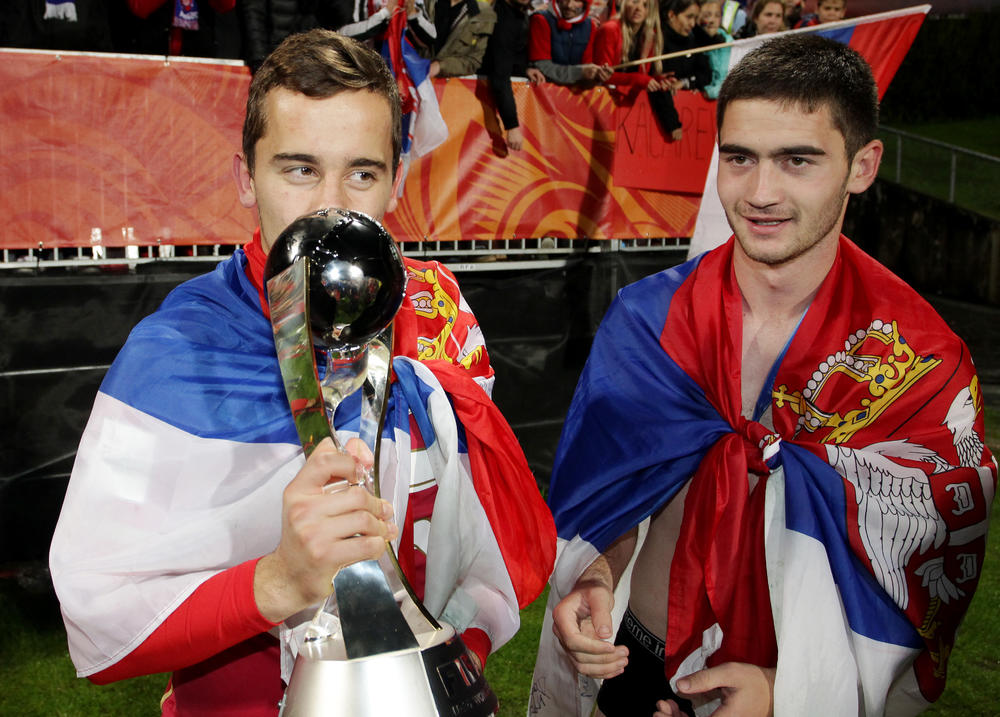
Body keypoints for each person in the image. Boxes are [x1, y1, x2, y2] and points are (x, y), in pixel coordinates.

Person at [49, 29, 556, 716]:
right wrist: (279, 581)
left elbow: (475, 539)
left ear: (396, 180)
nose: (330, 206)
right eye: (299, 170)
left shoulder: (439, 314)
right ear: (245, 178)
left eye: (362, 173)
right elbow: (99, 622)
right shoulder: (178, 350)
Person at [529, 33, 995, 717]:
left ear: (863, 166)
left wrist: (786, 693)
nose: (760, 193)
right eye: (739, 158)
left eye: (797, 160)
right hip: (635, 657)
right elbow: (617, 491)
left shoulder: (919, 361)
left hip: (799, 684)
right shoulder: (649, 321)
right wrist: (599, 572)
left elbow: (921, 585)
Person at [594, 0, 684, 141]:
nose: (639, 8)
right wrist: (639, 79)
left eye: (645, 5)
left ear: (650, 10)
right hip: (601, 107)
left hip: (625, 111)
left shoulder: (649, 37)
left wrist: (659, 81)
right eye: (635, 1)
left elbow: (644, 77)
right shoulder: (610, 30)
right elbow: (602, 75)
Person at [480, 0, 547, 151]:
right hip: (479, 99)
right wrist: (512, 126)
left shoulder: (519, 12)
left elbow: (510, 55)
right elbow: (500, 75)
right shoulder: (502, 18)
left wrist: (523, 70)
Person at [528, 0, 612, 87]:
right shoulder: (541, 19)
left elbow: (587, 69)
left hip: (575, 92)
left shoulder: (590, 26)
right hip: (543, 89)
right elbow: (542, 67)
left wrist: (597, 76)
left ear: (585, 4)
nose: (569, 5)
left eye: (576, 0)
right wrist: (580, 72)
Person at [420, 0, 497, 78]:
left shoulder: (484, 13)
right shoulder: (426, 2)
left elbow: (474, 61)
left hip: (448, 82)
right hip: (414, 74)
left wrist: (440, 66)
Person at [660, 0, 712, 96]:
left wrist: (685, 82)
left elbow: (705, 75)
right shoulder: (656, 41)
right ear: (671, 15)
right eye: (689, 17)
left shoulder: (693, 42)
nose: (692, 24)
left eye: (695, 18)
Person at [697, 0, 731, 100]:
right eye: (707, 16)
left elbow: (727, 81)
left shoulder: (728, 43)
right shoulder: (691, 41)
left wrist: (711, 92)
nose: (712, 20)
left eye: (717, 16)